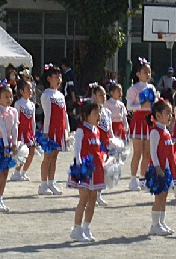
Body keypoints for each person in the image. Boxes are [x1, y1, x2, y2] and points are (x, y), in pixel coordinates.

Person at [67, 99, 105, 240]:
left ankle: (86, 227)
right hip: (84, 169)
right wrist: (78, 162)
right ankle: (76, 229)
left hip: (96, 168)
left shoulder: (97, 131)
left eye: (99, 113)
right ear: (87, 115)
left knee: (93, 199)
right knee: (83, 199)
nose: (99, 116)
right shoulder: (81, 130)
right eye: (96, 113)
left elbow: (98, 150)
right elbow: (77, 148)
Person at [145, 99, 176, 235]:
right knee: (158, 198)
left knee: (164, 197)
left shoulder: (166, 132)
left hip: (166, 170)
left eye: (171, 113)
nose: (170, 116)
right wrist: (158, 167)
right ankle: (154, 225)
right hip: (158, 170)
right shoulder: (155, 132)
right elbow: (152, 152)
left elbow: (170, 155)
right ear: (158, 115)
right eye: (167, 113)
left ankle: (161, 222)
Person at [126, 57, 157, 190]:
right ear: (138, 74)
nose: (148, 75)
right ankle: (133, 179)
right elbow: (129, 106)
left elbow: (154, 103)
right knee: (137, 152)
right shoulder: (133, 88)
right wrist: (141, 105)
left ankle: (143, 178)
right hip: (139, 120)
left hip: (149, 120)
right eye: (145, 72)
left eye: (149, 72)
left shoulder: (152, 87)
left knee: (147, 153)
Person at [0, 80, 19, 213]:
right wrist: (6, 145)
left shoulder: (13, 111)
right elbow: (2, 129)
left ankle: (0, 197)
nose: (9, 99)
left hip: (9, 143)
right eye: (6, 96)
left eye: (11, 96)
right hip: (0, 143)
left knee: (6, 172)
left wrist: (15, 143)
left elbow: (14, 128)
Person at [38, 64, 69, 195]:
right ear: (49, 79)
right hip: (50, 130)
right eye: (56, 77)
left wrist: (67, 129)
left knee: (55, 156)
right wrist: (46, 133)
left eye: (60, 77)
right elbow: (48, 114)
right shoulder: (46, 95)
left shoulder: (61, 95)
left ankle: (51, 183)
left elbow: (65, 114)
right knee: (48, 157)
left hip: (60, 129)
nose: (59, 79)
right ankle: (43, 184)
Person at [12, 77, 36, 182]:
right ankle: (16, 172)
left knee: (31, 152)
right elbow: (16, 120)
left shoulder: (32, 104)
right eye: (28, 89)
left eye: (31, 89)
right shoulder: (18, 104)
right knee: (22, 152)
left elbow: (33, 121)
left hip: (29, 132)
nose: (31, 91)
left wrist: (34, 133)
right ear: (21, 91)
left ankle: (24, 172)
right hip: (21, 131)